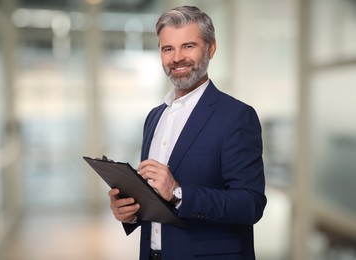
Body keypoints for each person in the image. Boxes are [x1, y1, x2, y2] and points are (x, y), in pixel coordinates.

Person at [108, 5, 266, 260]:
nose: (177, 57)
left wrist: (178, 193)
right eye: (168, 48)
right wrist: (131, 210)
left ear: (211, 49)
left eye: (188, 46)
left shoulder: (236, 116)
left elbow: (251, 205)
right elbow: (154, 199)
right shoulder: (154, 117)